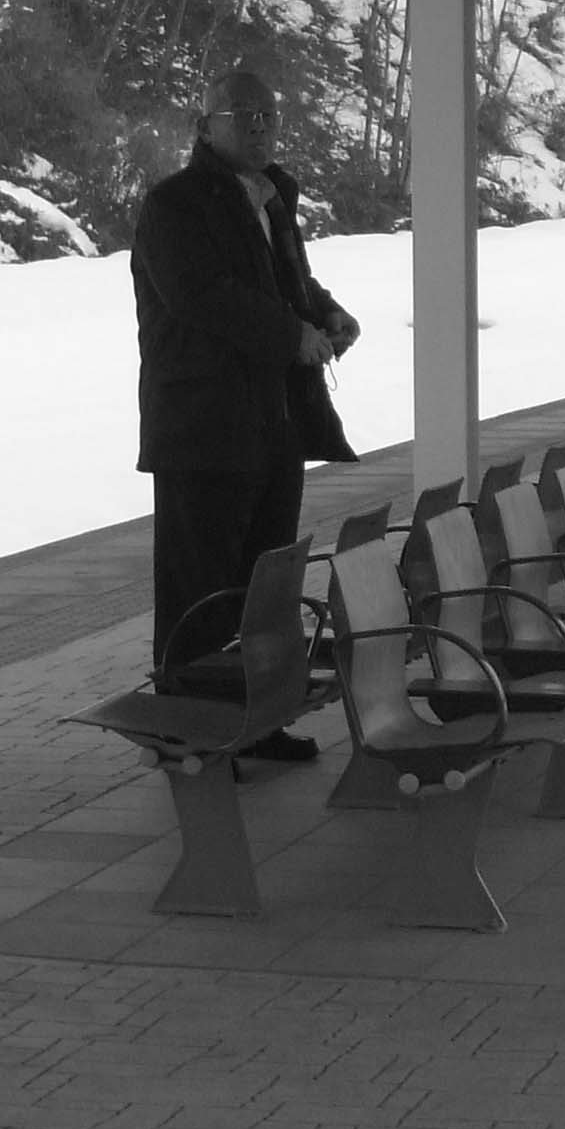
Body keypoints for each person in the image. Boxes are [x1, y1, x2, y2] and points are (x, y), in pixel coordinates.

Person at [130, 58, 360, 742]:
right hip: (203, 430)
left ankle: (259, 722)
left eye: (269, 117)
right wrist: (292, 336)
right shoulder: (175, 205)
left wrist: (325, 314)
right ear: (205, 127)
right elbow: (205, 298)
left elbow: (287, 281)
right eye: (244, 117)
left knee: (267, 589)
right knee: (200, 595)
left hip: (272, 423)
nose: (260, 129)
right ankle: (191, 731)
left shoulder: (271, 195)